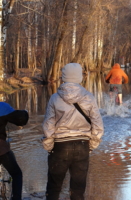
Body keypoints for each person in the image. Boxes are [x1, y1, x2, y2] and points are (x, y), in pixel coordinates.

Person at [42, 63, 104, 200]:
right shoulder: (89, 97)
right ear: (80, 77)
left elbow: (48, 126)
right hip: (82, 145)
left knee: (54, 187)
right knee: (78, 190)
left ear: (64, 76)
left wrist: (49, 146)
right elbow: (98, 126)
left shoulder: (55, 98)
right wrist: (91, 145)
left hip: (60, 147)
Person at [0, 102, 29, 200]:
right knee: (16, 174)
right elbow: (21, 119)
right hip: (1, 148)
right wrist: (25, 112)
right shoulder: (2, 106)